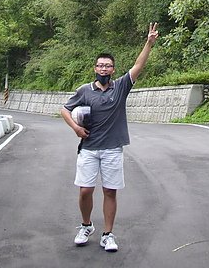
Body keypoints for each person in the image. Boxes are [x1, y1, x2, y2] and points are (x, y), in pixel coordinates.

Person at [60, 22, 159, 253]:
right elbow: (64, 110)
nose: (104, 69)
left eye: (108, 66)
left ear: (113, 70)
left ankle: (108, 234)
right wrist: (76, 128)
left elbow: (138, 65)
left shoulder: (121, 87)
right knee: (85, 190)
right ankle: (86, 226)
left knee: (109, 191)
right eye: (100, 65)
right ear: (94, 68)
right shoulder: (85, 90)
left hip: (113, 148)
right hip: (88, 148)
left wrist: (149, 43)